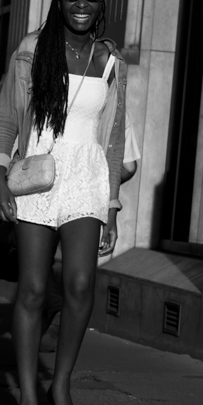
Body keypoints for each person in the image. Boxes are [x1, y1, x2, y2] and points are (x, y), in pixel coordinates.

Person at [0, 0, 127, 405]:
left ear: (101, 2)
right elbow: (8, 119)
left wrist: (111, 207)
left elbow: (114, 141)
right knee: (31, 288)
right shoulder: (31, 52)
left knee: (81, 284)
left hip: (87, 179)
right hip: (38, 176)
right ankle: (28, 396)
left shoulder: (111, 62)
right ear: (58, 0)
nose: (81, 4)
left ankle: (60, 385)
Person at [39, 117, 141, 352]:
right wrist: (100, 186)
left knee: (41, 262)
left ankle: (53, 312)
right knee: (76, 271)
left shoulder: (52, 97)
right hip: (87, 202)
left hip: (46, 192)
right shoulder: (118, 109)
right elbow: (129, 166)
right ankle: (61, 324)